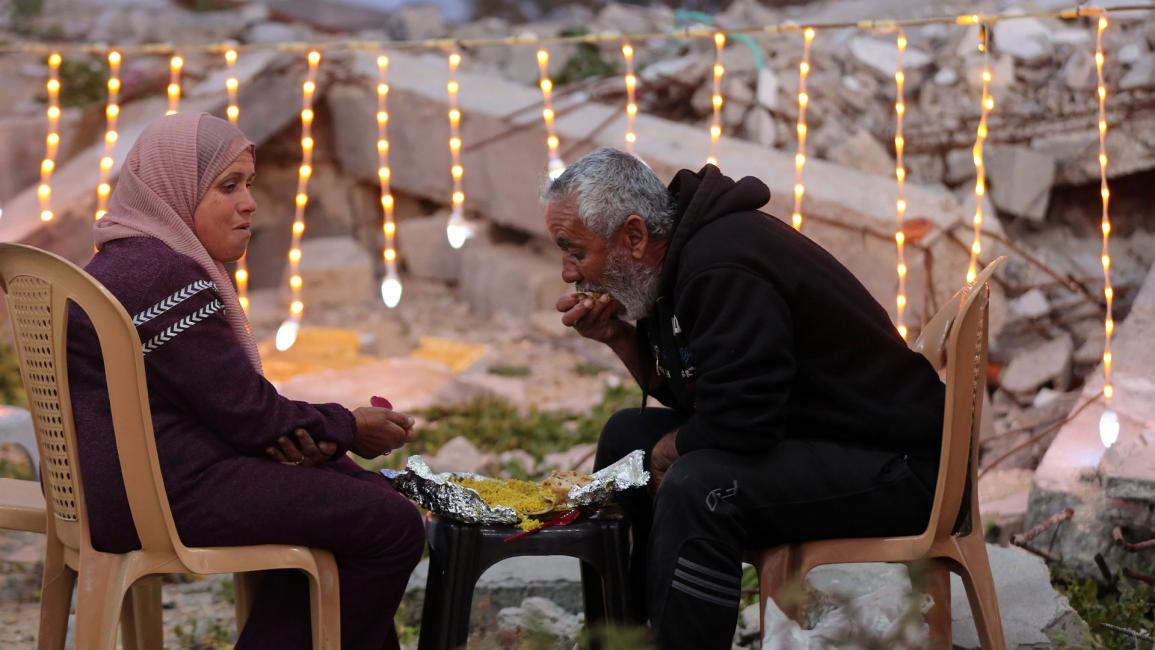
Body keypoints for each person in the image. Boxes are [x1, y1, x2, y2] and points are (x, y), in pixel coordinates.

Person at [545, 149, 946, 649]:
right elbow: (706, 393)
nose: (569, 273)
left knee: (698, 486)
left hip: (900, 467)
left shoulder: (721, 264)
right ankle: (623, 637)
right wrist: (620, 338)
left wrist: (669, 449)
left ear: (633, 236)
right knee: (627, 438)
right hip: (818, 438)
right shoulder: (679, 263)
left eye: (575, 251)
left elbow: (743, 422)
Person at [66, 112, 425, 650]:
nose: (249, 202)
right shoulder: (163, 276)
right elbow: (249, 414)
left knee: (348, 496)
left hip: (120, 487)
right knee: (390, 523)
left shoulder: (119, 263)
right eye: (227, 186)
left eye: (249, 184)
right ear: (173, 189)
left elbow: (227, 405)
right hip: (160, 496)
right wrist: (350, 426)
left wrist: (317, 441)